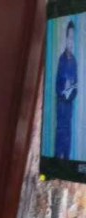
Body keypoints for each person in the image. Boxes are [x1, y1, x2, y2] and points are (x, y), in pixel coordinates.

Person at [56, 20, 79, 160]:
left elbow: (76, 86)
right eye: (69, 38)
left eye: (73, 39)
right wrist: (63, 91)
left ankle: (67, 162)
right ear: (66, 39)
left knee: (68, 136)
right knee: (60, 134)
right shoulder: (61, 60)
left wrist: (72, 92)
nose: (71, 42)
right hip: (61, 107)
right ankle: (58, 162)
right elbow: (57, 86)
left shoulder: (75, 62)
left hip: (69, 106)